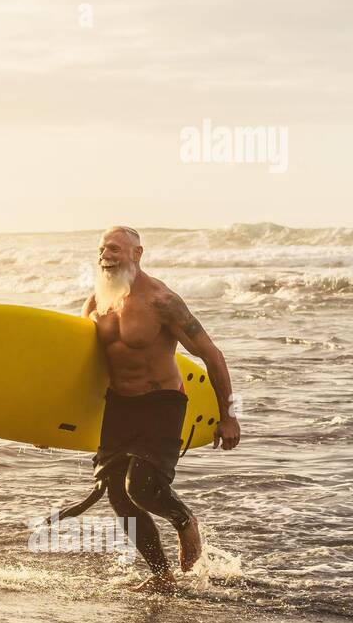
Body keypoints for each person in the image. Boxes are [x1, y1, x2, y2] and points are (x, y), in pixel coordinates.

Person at [66, 226, 241, 591]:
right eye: (102, 249)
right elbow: (84, 368)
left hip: (161, 402)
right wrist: (45, 420)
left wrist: (228, 415)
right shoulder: (94, 304)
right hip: (119, 405)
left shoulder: (162, 301)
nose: (106, 255)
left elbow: (211, 354)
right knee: (115, 492)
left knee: (142, 487)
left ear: (137, 253)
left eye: (115, 248)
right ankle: (161, 576)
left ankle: (184, 520)